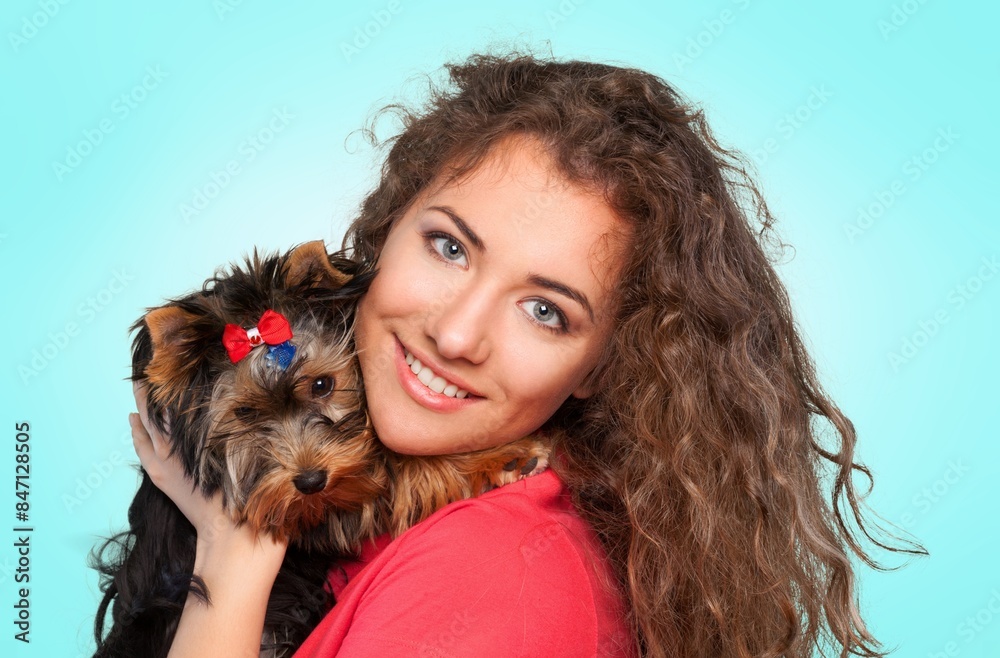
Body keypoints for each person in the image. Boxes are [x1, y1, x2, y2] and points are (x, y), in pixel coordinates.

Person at [129, 51, 924, 657]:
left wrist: (229, 566)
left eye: (546, 311)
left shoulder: (490, 578)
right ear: (388, 227)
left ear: (607, 367)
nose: (457, 335)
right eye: (449, 247)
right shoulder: (403, 519)